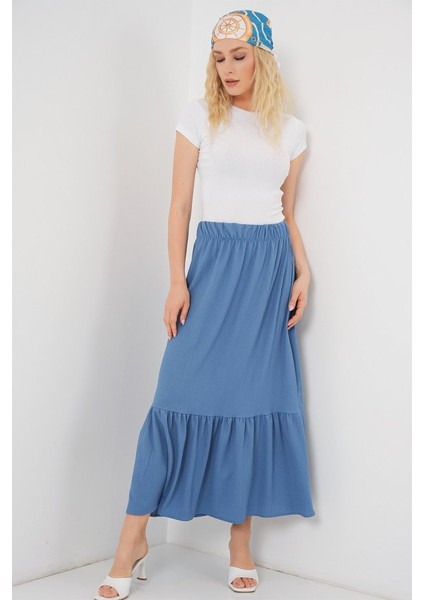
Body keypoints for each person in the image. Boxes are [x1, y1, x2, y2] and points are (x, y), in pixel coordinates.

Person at [94, 9, 315, 599]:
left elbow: (287, 212)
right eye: (219, 59)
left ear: (262, 59)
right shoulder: (199, 118)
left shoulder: (291, 132)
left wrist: (303, 269)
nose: (227, 69)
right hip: (213, 268)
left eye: (238, 57)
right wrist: (177, 280)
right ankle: (131, 541)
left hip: (268, 272)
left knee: (251, 402)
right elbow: (179, 206)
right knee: (173, 397)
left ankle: (240, 545)